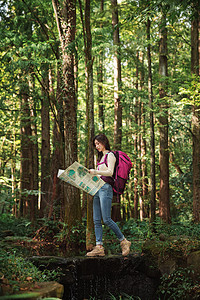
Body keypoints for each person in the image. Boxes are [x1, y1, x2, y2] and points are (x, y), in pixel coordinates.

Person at [86, 133, 131, 257]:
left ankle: (124, 241)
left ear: (104, 142)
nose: (97, 146)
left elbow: (110, 172)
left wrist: (95, 171)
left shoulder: (110, 155)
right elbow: (100, 174)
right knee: (96, 220)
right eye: (95, 145)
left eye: (98, 144)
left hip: (105, 188)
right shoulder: (101, 158)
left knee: (106, 219)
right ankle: (99, 247)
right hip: (97, 188)